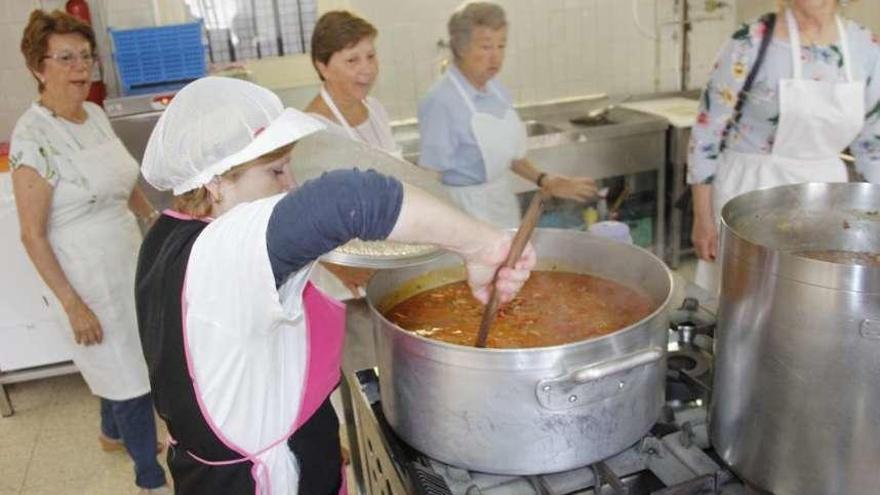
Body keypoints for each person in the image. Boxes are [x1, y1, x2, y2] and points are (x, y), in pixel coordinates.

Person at [135, 76, 535, 494]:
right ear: (215, 182)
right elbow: (350, 200)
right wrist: (484, 245)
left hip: (254, 452)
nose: (289, 184)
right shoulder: (226, 249)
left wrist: (312, 434)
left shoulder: (168, 236)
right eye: (275, 170)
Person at [9, 10, 168, 495]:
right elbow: (32, 235)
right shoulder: (32, 138)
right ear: (39, 66)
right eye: (65, 58)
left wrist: (159, 227)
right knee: (127, 375)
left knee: (126, 358)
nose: (81, 68)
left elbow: (124, 184)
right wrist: (72, 304)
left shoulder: (95, 114)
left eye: (85, 56)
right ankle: (150, 477)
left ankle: (110, 432)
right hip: (84, 276)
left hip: (126, 258)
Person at [688, 0, 880, 291]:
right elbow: (707, 132)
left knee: (808, 301)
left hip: (826, 200)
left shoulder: (866, 46)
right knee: (741, 300)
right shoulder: (750, 41)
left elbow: (872, 144)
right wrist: (702, 218)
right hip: (747, 192)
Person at [417, 1, 597, 228]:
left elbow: (511, 157)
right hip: (463, 213)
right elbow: (429, 177)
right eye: (486, 47)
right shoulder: (441, 101)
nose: (496, 57)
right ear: (461, 48)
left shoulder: (497, 91)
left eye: (501, 46)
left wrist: (544, 180)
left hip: (501, 205)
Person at [304, 10, 400, 158]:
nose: (368, 69)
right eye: (352, 60)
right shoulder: (313, 131)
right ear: (323, 67)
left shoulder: (376, 109)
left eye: (371, 56)